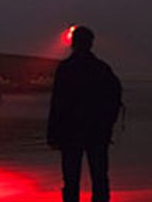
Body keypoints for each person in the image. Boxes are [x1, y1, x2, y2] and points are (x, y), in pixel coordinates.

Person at [47, 26, 123, 202]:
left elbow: (57, 103)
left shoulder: (65, 69)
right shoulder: (102, 69)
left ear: (73, 44)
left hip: (70, 133)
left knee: (71, 181)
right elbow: (115, 98)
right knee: (100, 179)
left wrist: (52, 134)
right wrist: (107, 125)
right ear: (90, 43)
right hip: (97, 133)